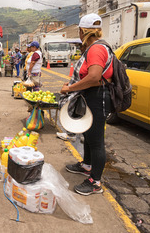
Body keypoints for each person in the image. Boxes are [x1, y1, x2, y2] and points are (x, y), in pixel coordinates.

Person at [60, 13, 113, 196]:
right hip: (92, 96)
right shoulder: (96, 47)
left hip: (97, 98)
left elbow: (94, 76)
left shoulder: (96, 49)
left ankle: (95, 182)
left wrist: (70, 89)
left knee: (96, 141)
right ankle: (86, 165)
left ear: (83, 31)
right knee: (89, 135)